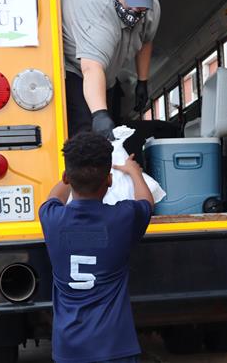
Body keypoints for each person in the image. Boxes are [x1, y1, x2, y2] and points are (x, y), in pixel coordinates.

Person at [39, 132, 154, 363]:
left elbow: (54, 197)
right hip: (115, 347)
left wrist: (69, 174)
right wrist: (134, 172)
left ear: (66, 177)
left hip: (68, 349)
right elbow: (146, 203)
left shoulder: (51, 218)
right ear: (109, 180)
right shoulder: (124, 217)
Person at [62, 0, 161, 140]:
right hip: (74, 69)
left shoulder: (150, 7)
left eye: (142, 3)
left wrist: (142, 81)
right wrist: (99, 114)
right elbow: (92, 68)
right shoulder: (98, 13)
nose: (136, 7)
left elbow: (146, 40)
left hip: (107, 75)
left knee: (111, 132)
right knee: (87, 128)